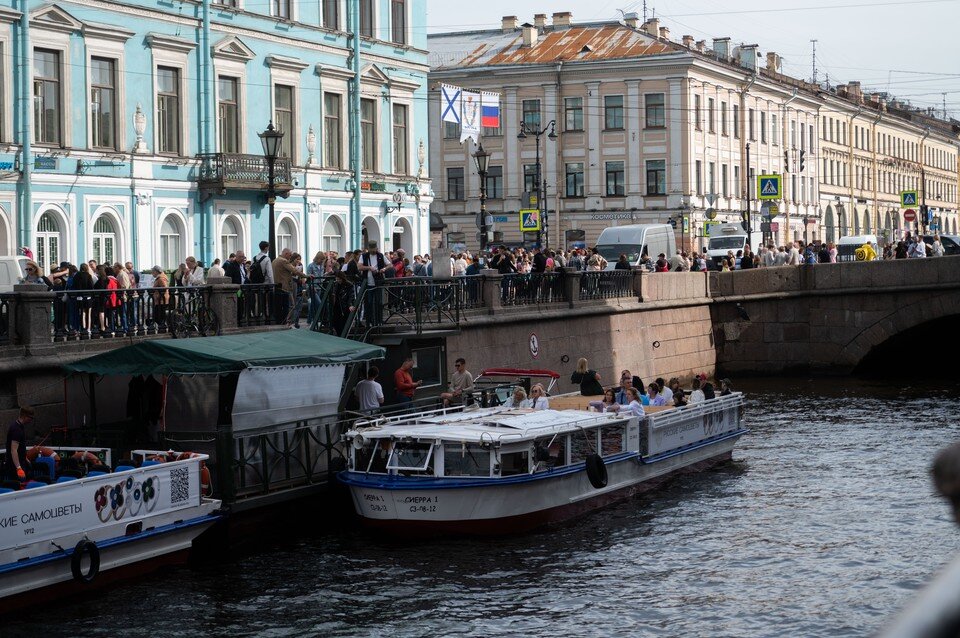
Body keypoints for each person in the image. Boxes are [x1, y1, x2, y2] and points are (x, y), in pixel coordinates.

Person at [3, 406, 34, 482]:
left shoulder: (20, 426)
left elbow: (20, 446)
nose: (31, 420)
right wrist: (18, 468)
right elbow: (13, 450)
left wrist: (25, 458)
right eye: (31, 418)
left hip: (20, 461)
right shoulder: (16, 430)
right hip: (15, 465)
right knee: (19, 484)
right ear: (25, 416)